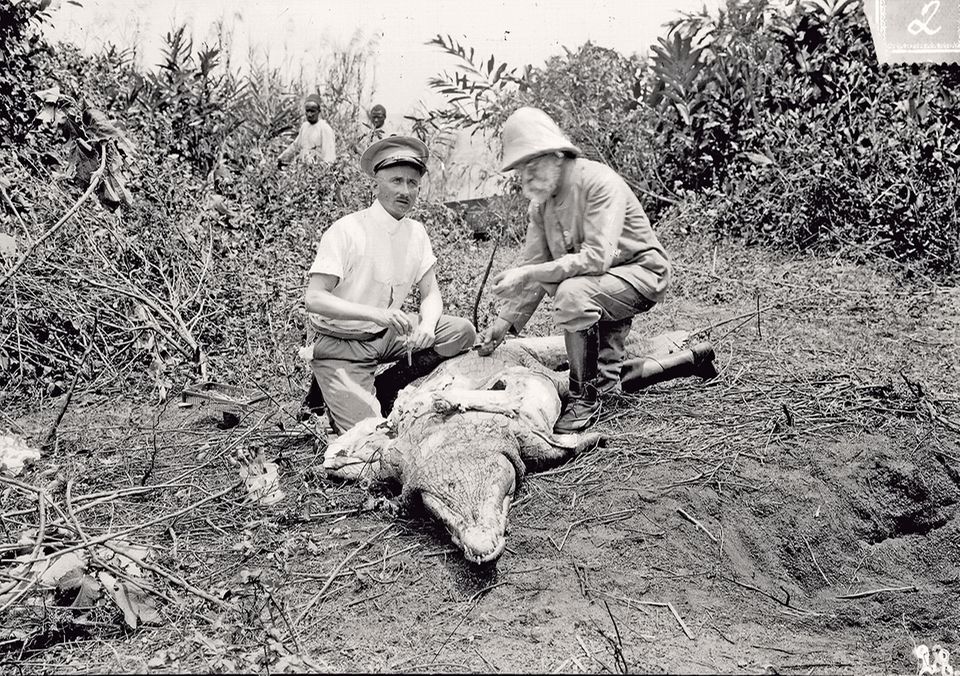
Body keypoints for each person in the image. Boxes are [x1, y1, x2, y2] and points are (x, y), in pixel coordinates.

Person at [477, 107, 715, 434]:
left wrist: (531, 275)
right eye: (521, 169)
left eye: (533, 165)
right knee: (609, 381)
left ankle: (582, 400)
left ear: (557, 155)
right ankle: (691, 360)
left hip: (639, 274)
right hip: (601, 287)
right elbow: (534, 264)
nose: (527, 177)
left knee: (571, 293)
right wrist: (503, 323)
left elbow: (597, 257)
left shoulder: (600, 182)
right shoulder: (541, 205)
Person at [303, 136, 476, 433]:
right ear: (375, 185)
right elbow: (314, 299)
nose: (405, 191)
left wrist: (428, 325)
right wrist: (376, 314)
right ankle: (330, 387)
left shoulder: (416, 232)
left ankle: (385, 388)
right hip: (343, 342)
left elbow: (431, 291)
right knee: (369, 438)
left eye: (413, 183)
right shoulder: (347, 231)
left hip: (388, 334)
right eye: (396, 180)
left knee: (460, 333)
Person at [278, 93, 336, 166]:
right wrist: (282, 158)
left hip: (317, 168)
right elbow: (296, 146)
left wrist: (323, 170)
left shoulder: (325, 128)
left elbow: (329, 156)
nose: (309, 114)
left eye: (312, 111)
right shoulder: (304, 126)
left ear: (319, 111)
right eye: (307, 111)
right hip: (303, 166)